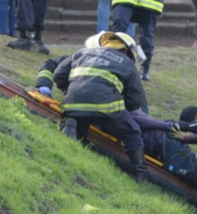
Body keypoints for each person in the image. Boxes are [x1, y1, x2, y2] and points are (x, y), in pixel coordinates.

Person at [53, 31, 149, 182]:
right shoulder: (127, 63)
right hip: (106, 107)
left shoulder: (82, 53)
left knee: (83, 115)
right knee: (132, 132)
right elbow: (135, 100)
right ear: (126, 50)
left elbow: (58, 75)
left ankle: (72, 125)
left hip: (73, 103)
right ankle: (141, 173)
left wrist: (72, 91)